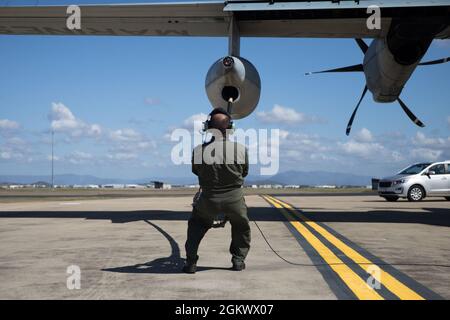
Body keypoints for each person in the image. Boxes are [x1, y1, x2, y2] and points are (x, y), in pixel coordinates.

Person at [183, 108, 250, 274]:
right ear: (230, 128)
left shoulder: (199, 151)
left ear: (207, 127)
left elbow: (196, 171)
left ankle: (191, 262)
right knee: (241, 226)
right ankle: (238, 260)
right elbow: (244, 172)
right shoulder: (241, 149)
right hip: (234, 199)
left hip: (208, 199)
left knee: (196, 226)